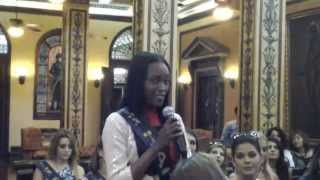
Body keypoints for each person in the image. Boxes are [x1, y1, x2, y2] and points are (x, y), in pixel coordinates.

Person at [102, 52, 191, 180]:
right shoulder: (117, 121)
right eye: (155, 81)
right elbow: (116, 178)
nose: (163, 88)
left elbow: (187, 161)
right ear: (138, 82)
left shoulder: (173, 119)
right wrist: (157, 146)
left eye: (166, 82)